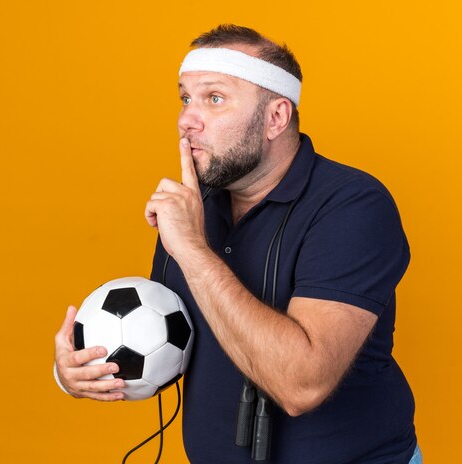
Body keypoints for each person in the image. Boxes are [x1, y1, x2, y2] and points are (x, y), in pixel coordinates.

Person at [54, 24, 422, 464]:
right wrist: (80, 371)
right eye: (185, 98)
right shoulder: (196, 207)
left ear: (276, 118)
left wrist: (192, 249)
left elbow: (302, 385)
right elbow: (165, 338)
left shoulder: (352, 206)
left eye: (214, 98)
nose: (187, 119)